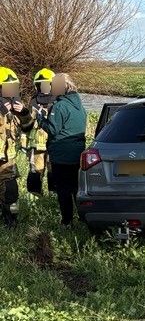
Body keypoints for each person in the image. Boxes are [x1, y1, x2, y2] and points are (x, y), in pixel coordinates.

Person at [40, 73, 87, 226]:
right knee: (77, 189)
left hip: (62, 155)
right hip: (78, 154)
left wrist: (41, 119)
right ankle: (82, 219)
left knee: (63, 190)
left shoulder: (60, 106)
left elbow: (53, 129)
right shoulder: (80, 105)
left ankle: (66, 221)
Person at [0, 67, 34, 227]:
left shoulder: (15, 107)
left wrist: (24, 113)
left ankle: (12, 220)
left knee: (12, 194)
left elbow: (28, 128)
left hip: (8, 163)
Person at [26, 67, 55, 196]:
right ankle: (35, 196)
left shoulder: (58, 102)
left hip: (53, 143)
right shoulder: (33, 102)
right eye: (41, 85)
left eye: (47, 85)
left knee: (52, 170)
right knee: (35, 171)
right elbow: (27, 122)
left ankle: (53, 195)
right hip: (37, 144)